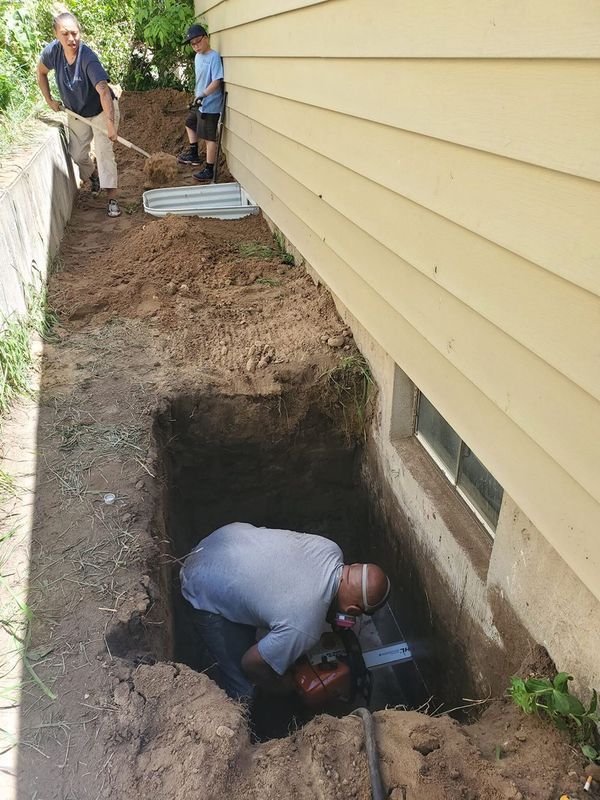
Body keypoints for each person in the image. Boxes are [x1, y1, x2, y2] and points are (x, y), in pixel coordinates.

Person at [179, 522, 391, 702]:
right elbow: (251, 664)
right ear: (353, 609)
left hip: (219, 541)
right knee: (245, 691)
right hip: (200, 584)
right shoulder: (304, 626)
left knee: (270, 627)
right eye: (355, 614)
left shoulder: (330, 548)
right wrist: (284, 686)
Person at [36, 12, 121, 217]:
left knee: (103, 152)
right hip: (76, 112)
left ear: (79, 33)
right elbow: (41, 72)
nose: (71, 39)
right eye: (65, 34)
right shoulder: (52, 53)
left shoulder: (87, 58)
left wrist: (110, 125)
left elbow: (103, 91)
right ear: (57, 34)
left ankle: (112, 199)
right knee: (77, 154)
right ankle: (94, 177)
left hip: (102, 110)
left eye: (74, 33)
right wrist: (49, 100)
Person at [177, 24, 224, 182]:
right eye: (192, 44)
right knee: (190, 123)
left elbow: (216, 81)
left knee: (209, 138)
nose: (196, 46)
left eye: (198, 41)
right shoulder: (198, 57)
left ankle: (210, 169)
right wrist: (197, 96)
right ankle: (194, 154)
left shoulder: (214, 57)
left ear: (206, 38)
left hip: (210, 105)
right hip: (200, 102)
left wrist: (203, 95)